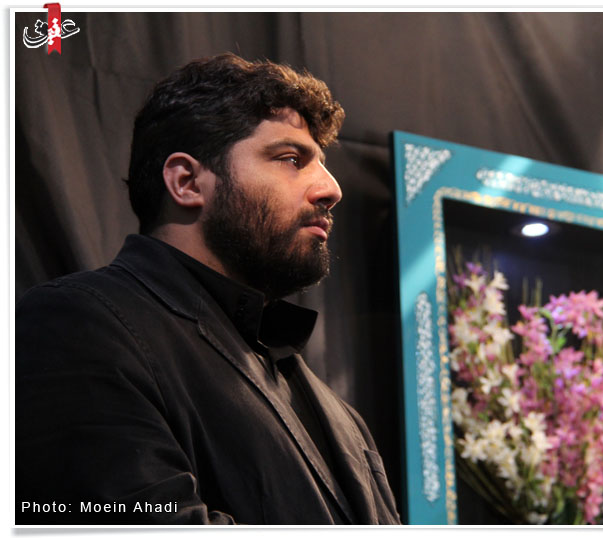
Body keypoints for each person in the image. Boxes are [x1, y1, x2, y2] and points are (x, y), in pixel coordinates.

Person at [16, 53, 401, 525]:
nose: (331, 189)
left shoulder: (337, 412)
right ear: (186, 182)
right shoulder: (76, 327)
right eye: (291, 159)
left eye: (321, 163)